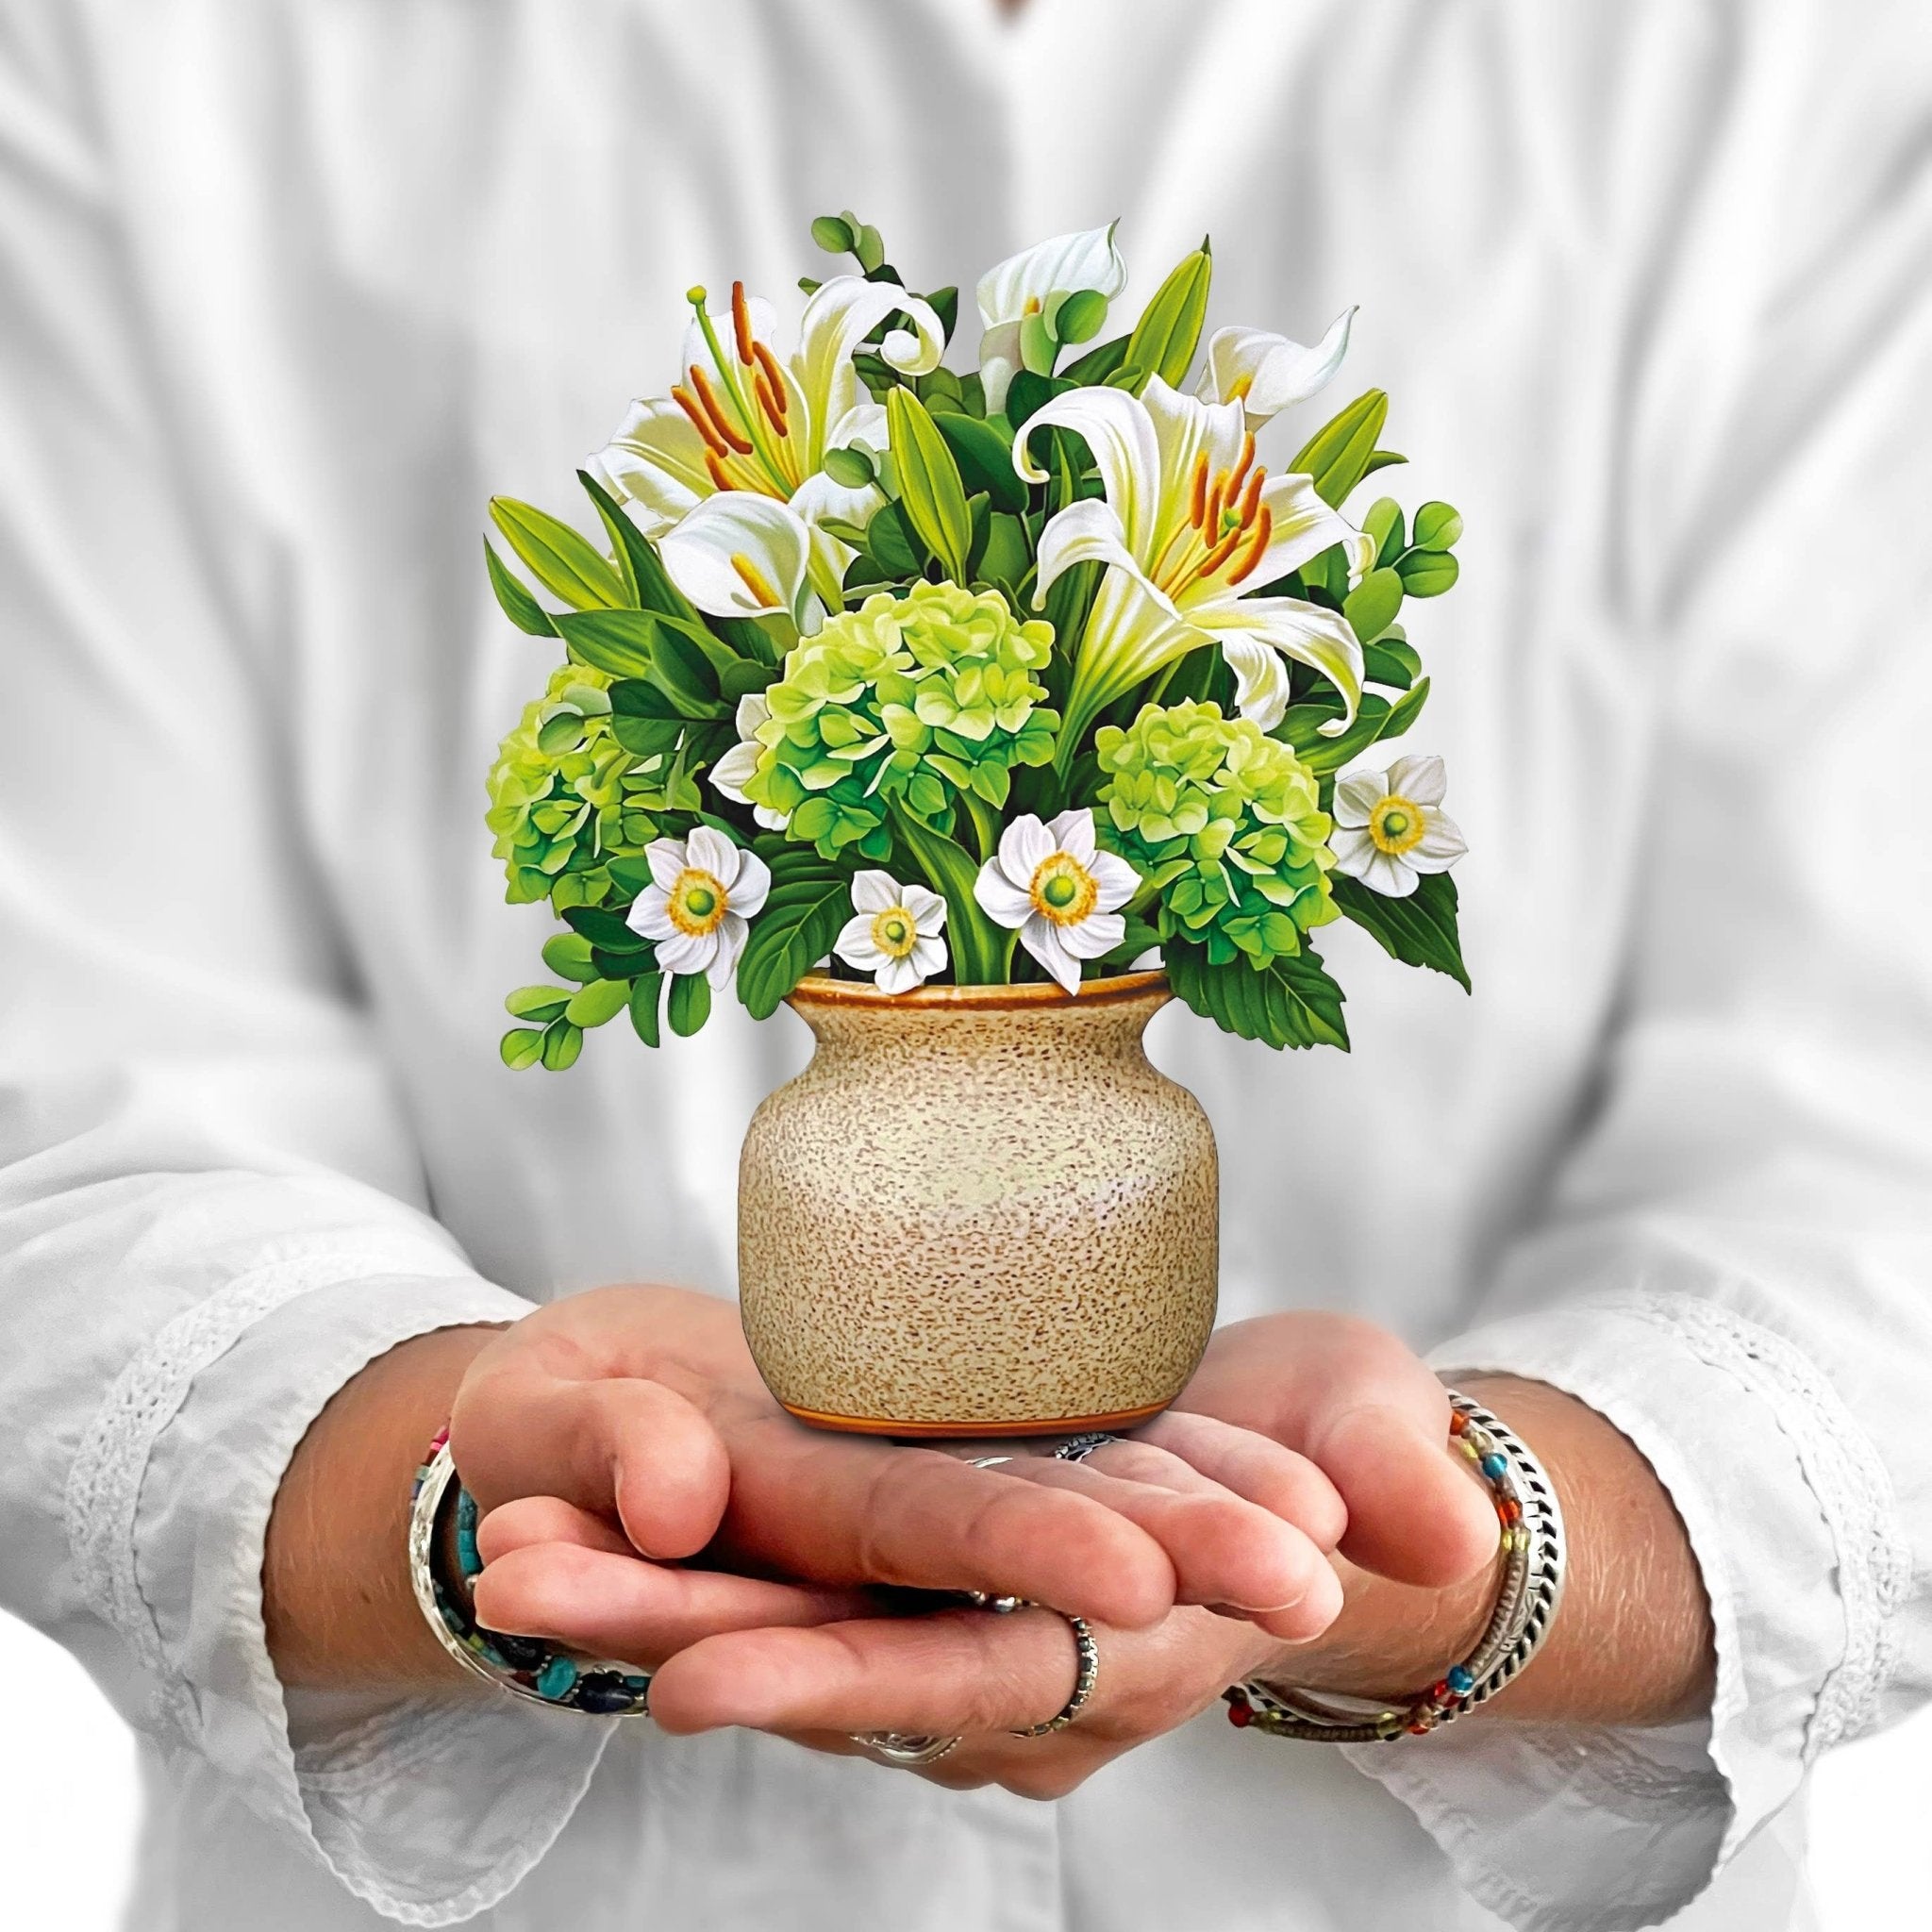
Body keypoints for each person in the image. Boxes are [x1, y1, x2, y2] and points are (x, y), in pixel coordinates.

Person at [2, 2, 1927, 1927]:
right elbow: (76, 1133)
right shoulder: (156, 50)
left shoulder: (1785, 59)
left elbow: (1871, 1158)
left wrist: (1472, 1544)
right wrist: (464, 1504)